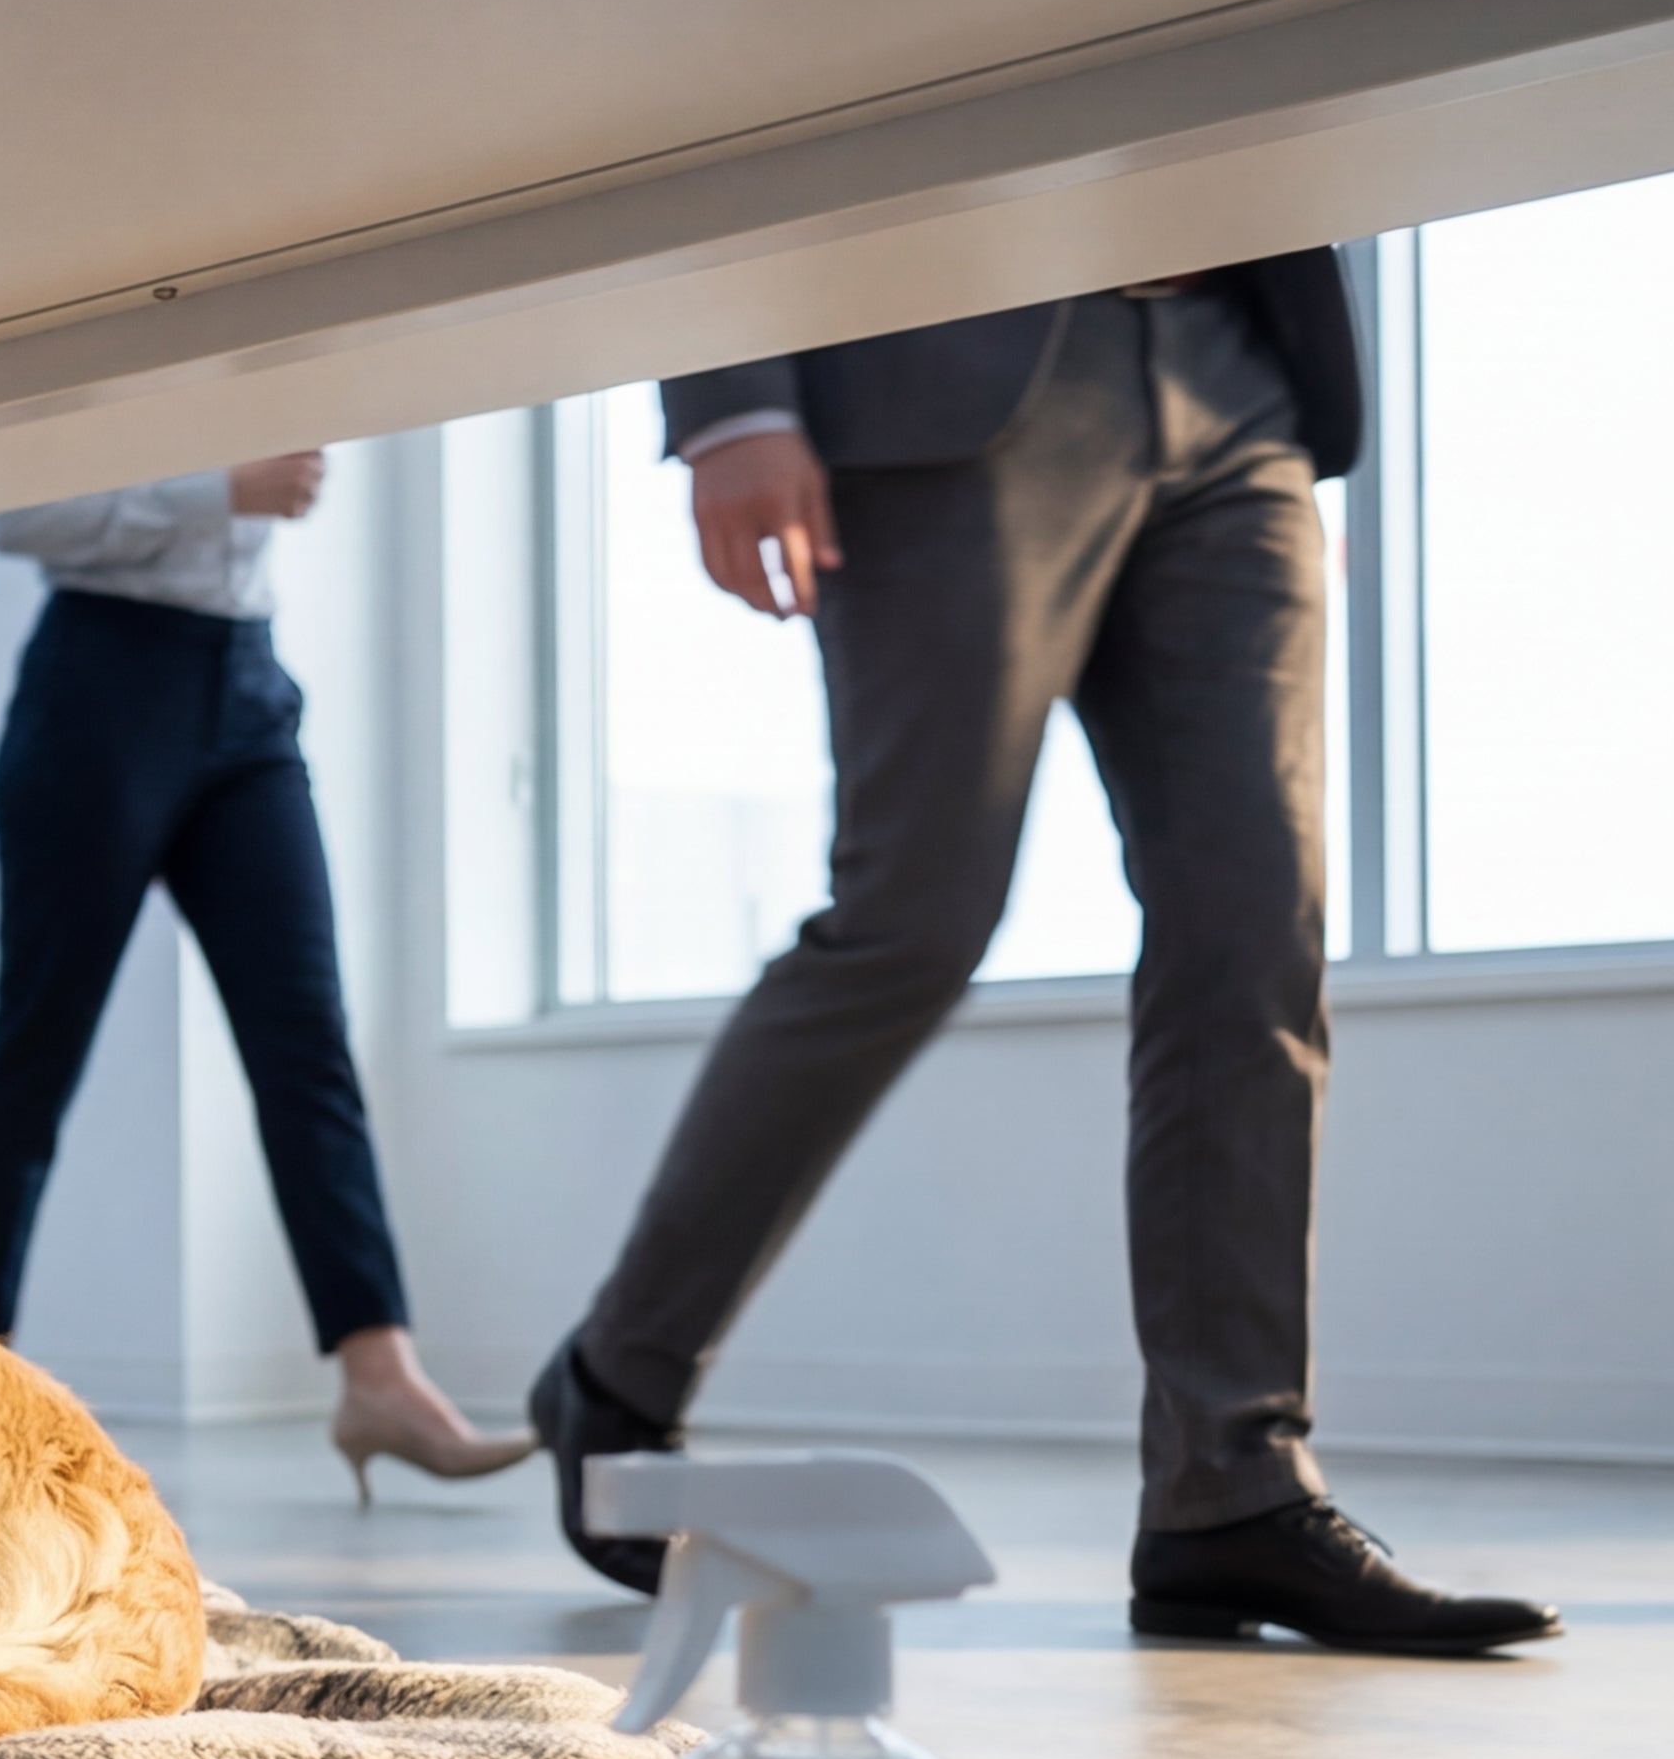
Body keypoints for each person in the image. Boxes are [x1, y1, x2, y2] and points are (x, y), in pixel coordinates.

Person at [525, 263, 1554, 1653]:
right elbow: (720, 113)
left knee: (1255, 929)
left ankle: (1231, 1488)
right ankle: (619, 1372)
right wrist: (729, 402)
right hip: (944, 351)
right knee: (914, 917)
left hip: (1236, 377)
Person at [0, 454, 526, 1494]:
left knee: (307, 1044)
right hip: (98, 681)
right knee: (37, 1045)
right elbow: (20, 517)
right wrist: (215, 492)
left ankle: (379, 1375)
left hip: (248, 679)